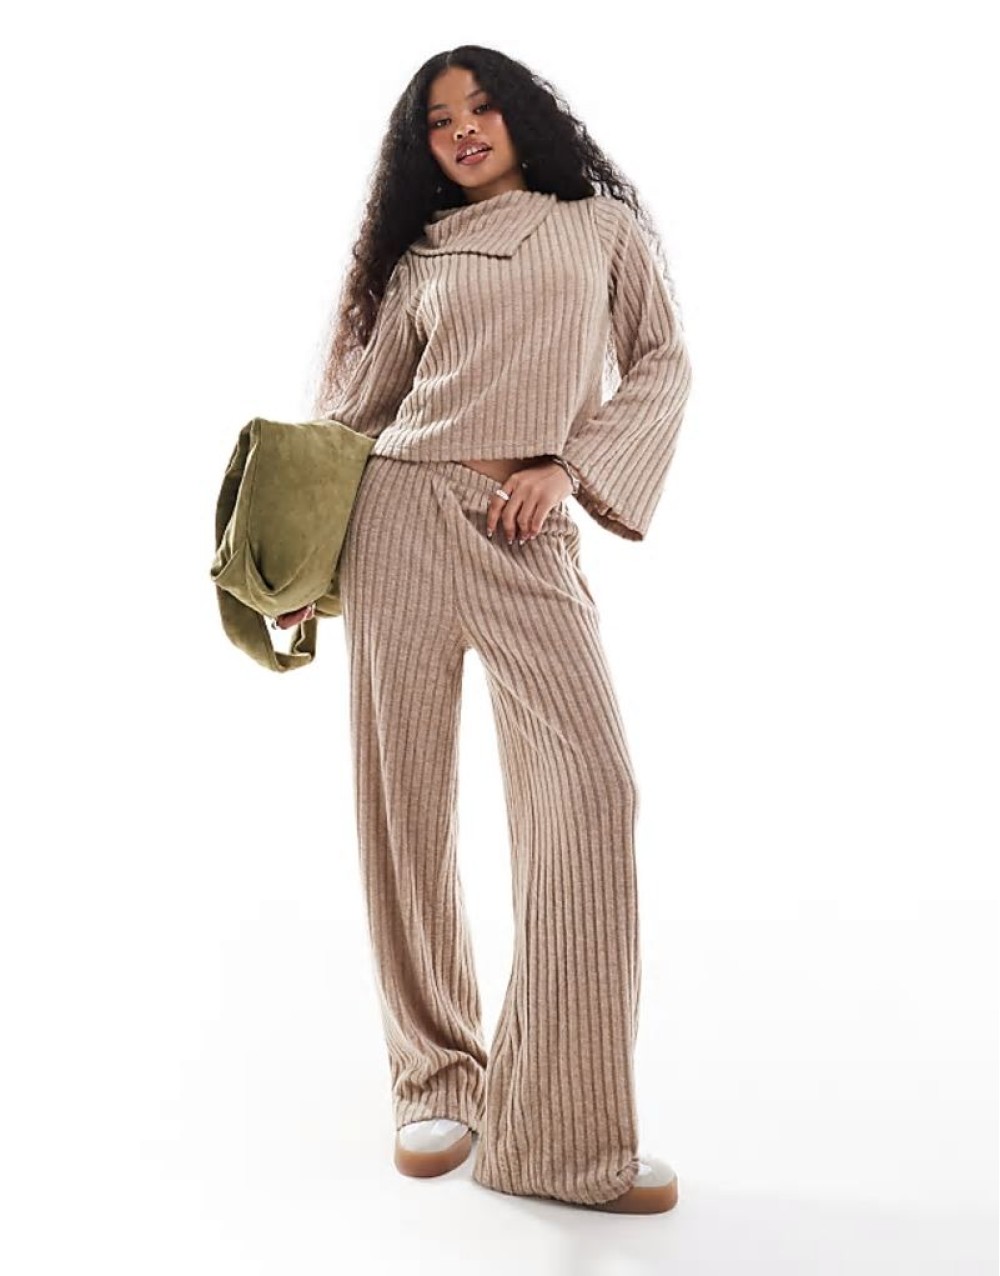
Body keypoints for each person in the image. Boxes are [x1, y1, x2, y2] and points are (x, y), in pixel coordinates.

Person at [284, 46, 692, 1214]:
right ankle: (435, 1075)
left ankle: (559, 1130)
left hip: (525, 534)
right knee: (402, 798)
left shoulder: (599, 228)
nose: (463, 128)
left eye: (481, 106)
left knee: (592, 790)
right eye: (438, 119)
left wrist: (569, 467)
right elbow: (357, 412)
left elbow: (662, 361)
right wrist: (303, 558)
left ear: (522, 116)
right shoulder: (419, 257)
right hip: (398, 519)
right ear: (420, 147)